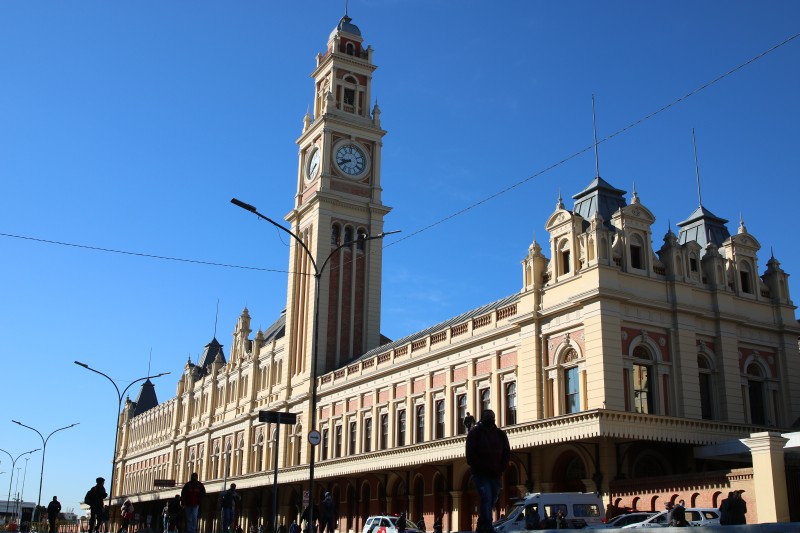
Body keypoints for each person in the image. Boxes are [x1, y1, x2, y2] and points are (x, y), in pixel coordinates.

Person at [466, 410, 510, 533]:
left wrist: (502, 467)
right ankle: (487, 526)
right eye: (487, 417)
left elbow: (506, 452)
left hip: (495, 474)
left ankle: (481, 524)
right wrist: (478, 466)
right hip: (480, 473)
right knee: (486, 497)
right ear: (482, 418)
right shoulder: (474, 433)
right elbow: (470, 453)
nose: (490, 419)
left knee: (493, 498)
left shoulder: (500, 435)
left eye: (491, 417)